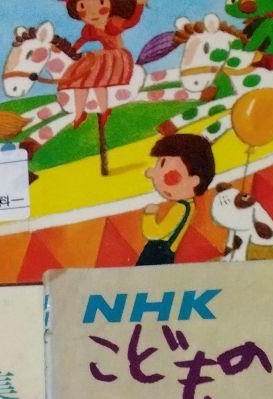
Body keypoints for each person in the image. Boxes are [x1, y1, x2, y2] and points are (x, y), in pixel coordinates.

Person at [60, 0, 147, 122]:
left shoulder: (114, 23)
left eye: (101, 3)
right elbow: (82, 40)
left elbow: (132, 21)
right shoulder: (90, 28)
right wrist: (70, 51)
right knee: (81, 77)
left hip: (118, 57)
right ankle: (79, 113)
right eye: (83, 7)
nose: (93, 13)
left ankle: (103, 109)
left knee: (99, 78)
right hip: (103, 56)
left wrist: (140, 4)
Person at [137, 134, 215, 266]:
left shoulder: (181, 208)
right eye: (160, 165)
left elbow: (156, 233)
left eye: (171, 176)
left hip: (157, 256)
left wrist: (149, 215)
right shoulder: (187, 205)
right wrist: (155, 172)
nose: (158, 180)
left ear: (194, 181)